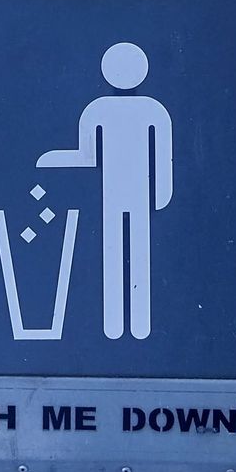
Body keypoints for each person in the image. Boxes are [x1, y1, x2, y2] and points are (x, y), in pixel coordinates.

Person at [38, 42, 172, 341]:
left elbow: (162, 153)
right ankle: (119, 324)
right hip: (118, 190)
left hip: (129, 191)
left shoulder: (141, 110)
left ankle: (135, 324)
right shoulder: (112, 109)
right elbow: (87, 154)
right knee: (119, 249)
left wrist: (162, 192)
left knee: (130, 249)